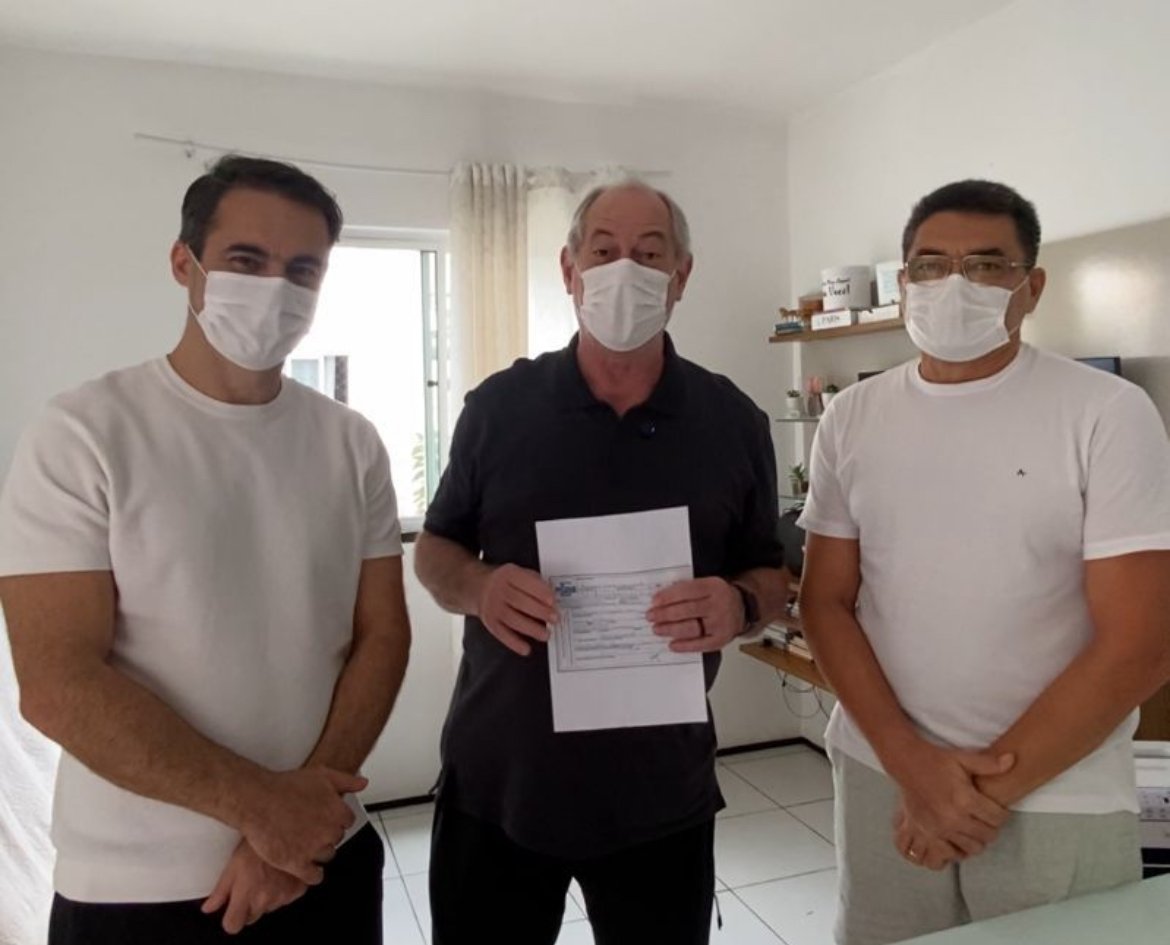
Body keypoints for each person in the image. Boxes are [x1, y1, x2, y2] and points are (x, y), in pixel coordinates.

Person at [0, 155, 412, 945]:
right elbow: (55, 681)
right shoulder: (83, 433)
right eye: (246, 261)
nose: (274, 289)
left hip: (323, 857)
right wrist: (263, 810)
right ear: (183, 263)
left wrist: (305, 819)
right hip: (138, 889)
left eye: (302, 271)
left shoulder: (350, 442)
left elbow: (382, 635)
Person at [413, 180, 789, 945]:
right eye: (604, 250)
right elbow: (434, 550)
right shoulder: (498, 408)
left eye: (649, 254)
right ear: (569, 269)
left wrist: (741, 604)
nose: (626, 270)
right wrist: (480, 586)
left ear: (682, 275)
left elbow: (771, 574)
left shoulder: (733, 421)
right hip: (501, 784)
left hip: (661, 792)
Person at [797, 179, 1170, 945]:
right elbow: (825, 602)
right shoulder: (852, 416)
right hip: (882, 771)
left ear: (1032, 287)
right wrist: (913, 768)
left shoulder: (1105, 411)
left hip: (1056, 789)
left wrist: (969, 795)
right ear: (905, 283)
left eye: (987, 265)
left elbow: (1141, 643)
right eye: (931, 265)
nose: (954, 284)